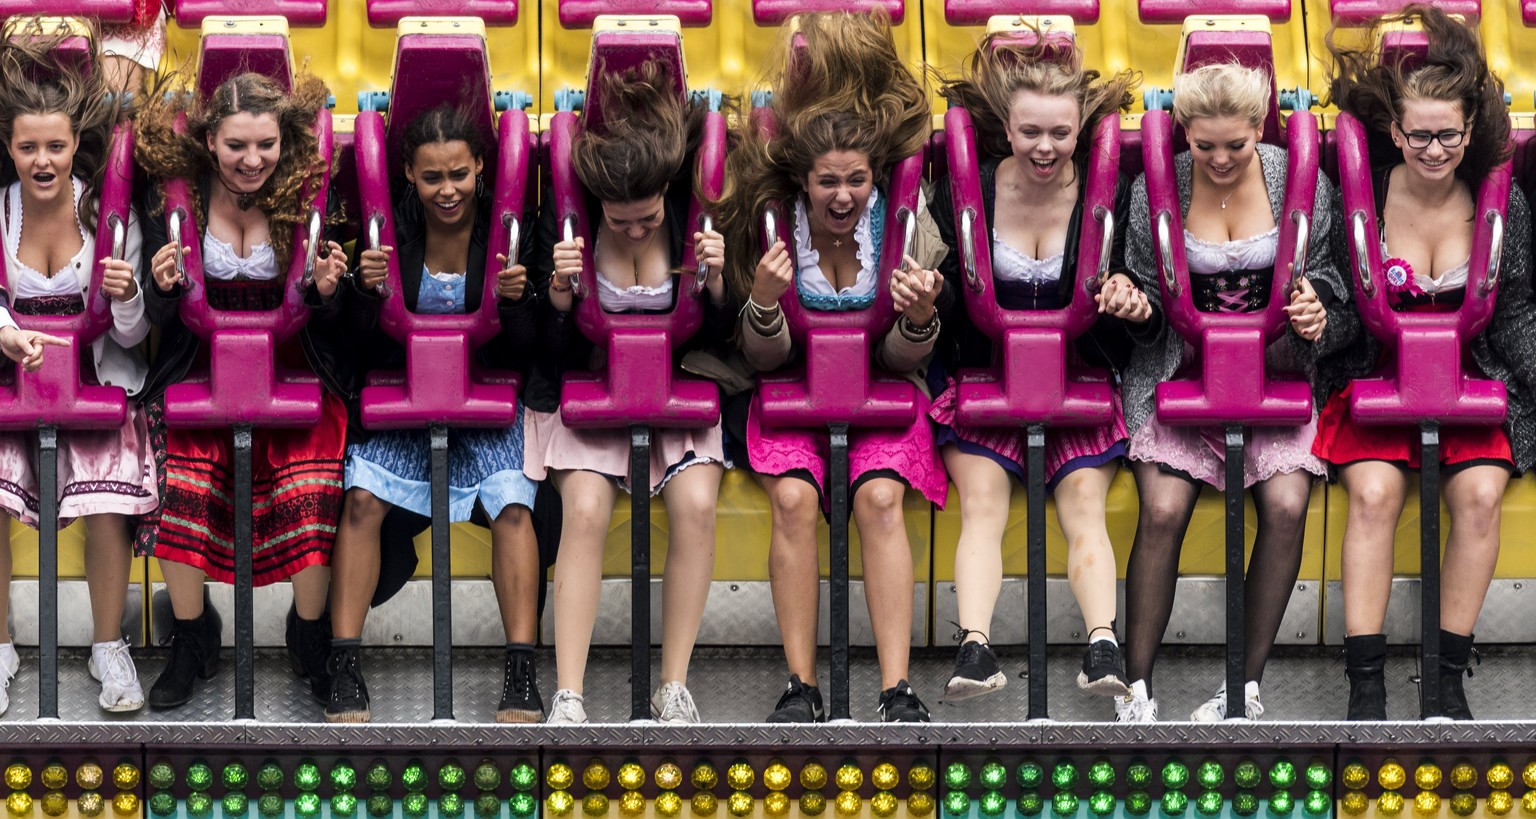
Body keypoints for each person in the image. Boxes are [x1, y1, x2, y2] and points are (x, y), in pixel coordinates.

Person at [717, 10, 945, 723]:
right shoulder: (770, 225)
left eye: (856, 181)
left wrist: (917, 320)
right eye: (827, 184)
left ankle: (897, 687)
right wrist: (763, 301)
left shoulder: (906, 227)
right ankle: (800, 684)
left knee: (878, 500)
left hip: (880, 392)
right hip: (791, 392)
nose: (843, 197)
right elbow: (764, 357)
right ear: (804, 182)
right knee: (792, 500)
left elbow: (900, 355)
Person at [1318, 4, 1536, 720]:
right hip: (1379, 379)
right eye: (1420, 135)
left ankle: (1446, 676)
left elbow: (1513, 316)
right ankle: (1366, 682)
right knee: (1375, 496)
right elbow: (1348, 310)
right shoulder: (1365, 199)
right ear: (1395, 131)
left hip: (1468, 381)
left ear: (1470, 132)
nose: (1434, 149)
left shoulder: (1502, 207)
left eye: (1448, 135)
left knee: (1478, 497)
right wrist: (1319, 321)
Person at [1118, 63, 1351, 722]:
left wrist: (1317, 309)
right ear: (1184, 134)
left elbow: (1331, 272)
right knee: (1162, 509)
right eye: (1204, 145)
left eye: (1236, 145)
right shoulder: (1154, 188)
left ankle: (1242, 684)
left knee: (1285, 504)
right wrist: (1135, 304)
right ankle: (1137, 689)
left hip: (1274, 376)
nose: (1219, 159)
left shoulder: (1298, 181)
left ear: (1260, 131)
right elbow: (1142, 283)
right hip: (1182, 376)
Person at [927, 32, 1146, 704]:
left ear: (1080, 127)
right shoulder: (966, 194)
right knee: (984, 502)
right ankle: (974, 646)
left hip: (1074, 380)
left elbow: (1135, 297)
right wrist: (927, 294)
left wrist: (1126, 300)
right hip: (985, 378)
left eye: (1059, 133)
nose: (1045, 148)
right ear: (1006, 128)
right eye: (1029, 133)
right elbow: (942, 293)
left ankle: (1102, 640)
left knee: (1084, 502)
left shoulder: (1112, 196)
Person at [134, 70, 352, 710]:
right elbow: (160, 315)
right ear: (210, 142)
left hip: (291, 362)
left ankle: (308, 633)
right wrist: (165, 287)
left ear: (284, 140)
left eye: (266, 144)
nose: (252, 160)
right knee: (182, 482)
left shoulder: (310, 198)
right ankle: (193, 636)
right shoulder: (175, 200)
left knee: (308, 484)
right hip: (201, 363)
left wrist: (326, 291)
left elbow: (340, 316)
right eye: (236, 146)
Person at [323, 105, 545, 723]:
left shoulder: (510, 234)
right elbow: (358, 346)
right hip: (408, 395)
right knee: (362, 498)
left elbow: (530, 351)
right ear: (409, 177)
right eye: (431, 179)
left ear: (480, 166)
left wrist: (518, 303)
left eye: (459, 175)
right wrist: (364, 296)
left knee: (513, 501)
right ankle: (344, 664)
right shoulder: (389, 235)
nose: (447, 191)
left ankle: (521, 670)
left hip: (484, 396)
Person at [527, 59, 732, 725]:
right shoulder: (568, 225)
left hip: (676, 389)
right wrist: (558, 299)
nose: (638, 231)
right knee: (584, 508)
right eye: (622, 222)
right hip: (594, 389)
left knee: (697, 503)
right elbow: (546, 349)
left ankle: (673, 683)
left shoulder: (689, 217)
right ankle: (570, 691)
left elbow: (723, 335)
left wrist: (721, 283)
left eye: (647, 219)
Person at [0, 27, 153, 714]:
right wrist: (8, 334)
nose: (42, 160)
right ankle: (0, 644)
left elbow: (134, 334)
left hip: (94, 381)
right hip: (14, 382)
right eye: (29, 147)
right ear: (10, 148)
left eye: (54, 146)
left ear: (73, 147)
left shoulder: (107, 214)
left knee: (110, 502)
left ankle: (106, 645)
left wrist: (126, 296)